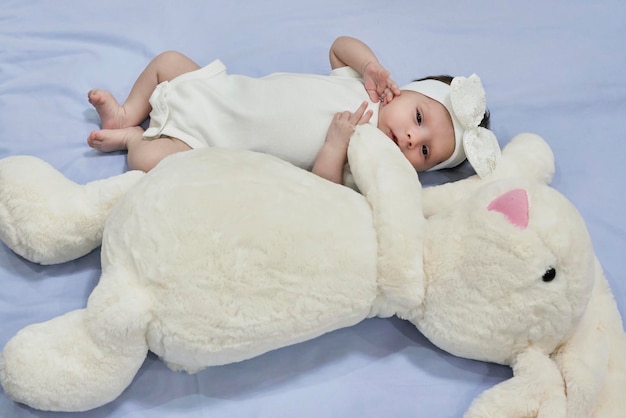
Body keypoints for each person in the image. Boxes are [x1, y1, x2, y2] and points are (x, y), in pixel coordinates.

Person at [87, 36, 491, 185]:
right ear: (402, 92)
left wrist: (335, 147)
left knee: (145, 160)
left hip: (210, 144)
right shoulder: (363, 86)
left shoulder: (367, 153)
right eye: (419, 119)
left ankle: (134, 136)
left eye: (423, 152)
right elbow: (339, 45)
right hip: (224, 93)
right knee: (169, 61)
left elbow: (323, 191)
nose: (409, 138)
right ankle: (126, 112)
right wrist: (369, 65)